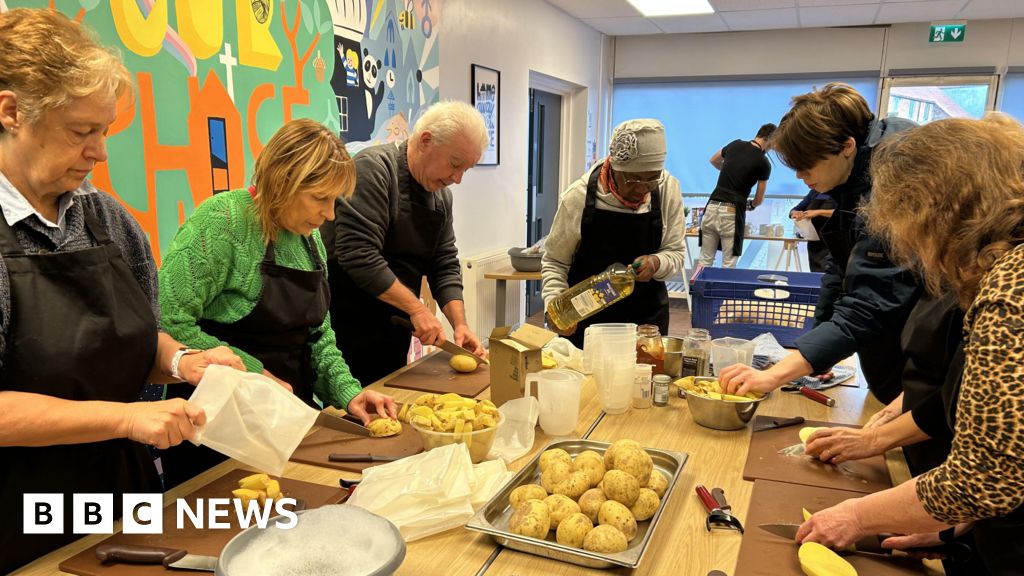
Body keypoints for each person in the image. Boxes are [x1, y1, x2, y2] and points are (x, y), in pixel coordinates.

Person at [0, 9, 243, 571]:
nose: (100, 152)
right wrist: (126, 419)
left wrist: (183, 363)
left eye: (104, 131)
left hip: (121, 497)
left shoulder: (107, 221)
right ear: (12, 112)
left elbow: (132, 340)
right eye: (82, 130)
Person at [795, 114, 1024, 576]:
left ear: (939, 212)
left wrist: (854, 517)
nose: (918, 253)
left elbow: (986, 475)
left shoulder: (1010, 292)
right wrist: (951, 519)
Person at [159, 119, 396, 489]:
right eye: (321, 198)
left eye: (334, 201)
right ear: (284, 182)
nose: (330, 214)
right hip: (216, 432)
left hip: (286, 424)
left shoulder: (309, 242)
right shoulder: (224, 221)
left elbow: (319, 337)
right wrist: (251, 372)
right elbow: (168, 322)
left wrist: (350, 393)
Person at [720, 83, 918, 404]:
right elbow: (842, 268)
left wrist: (776, 374)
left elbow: (872, 303)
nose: (800, 176)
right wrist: (816, 354)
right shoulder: (852, 179)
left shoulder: (895, 181)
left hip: (921, 361)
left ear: (846, 146)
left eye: (806, 165)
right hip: (893, 363)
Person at [321, 101, 488, 386]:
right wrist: (418, 309)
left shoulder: (440, 198)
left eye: (466, 170)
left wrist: (460, 325)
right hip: (345, 327)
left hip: (391, 330)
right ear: (426, 141)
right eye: (455, 164)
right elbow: (359, 255)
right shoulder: (372, 171)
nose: (457, 179)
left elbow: (444, 263)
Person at [541, 118, 686, 347]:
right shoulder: (578, 197)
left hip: (645, 322)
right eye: (633, 179)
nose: (641, 188)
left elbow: (676, 253)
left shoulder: (668, 189)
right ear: (614, 167)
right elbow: (555, 261)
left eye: (651, 179)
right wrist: (555, 304)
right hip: (588, 322)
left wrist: (656, 263)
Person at [697, 123, 774, 268]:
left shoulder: (735, 144)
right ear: (770, 139)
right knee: (728, 263)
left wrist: (728, 170)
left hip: (712, 206)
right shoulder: (763, 163)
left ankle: (697, 290)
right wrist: (750, 205)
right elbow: (758, 200)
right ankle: (722, 291)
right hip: (731, 212)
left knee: (705, 259)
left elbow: (713, 160)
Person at [789, 189, 835, 272]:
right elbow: (793, 210)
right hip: (814, 242)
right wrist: (796, 213)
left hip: (833, 243)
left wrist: (819, 212)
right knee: (815, 274)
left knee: (830, 273)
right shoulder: (814, 192)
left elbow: (845, 212)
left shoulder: (840, 191)